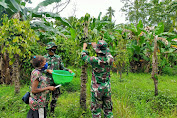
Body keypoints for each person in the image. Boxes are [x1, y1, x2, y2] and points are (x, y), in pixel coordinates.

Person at [81, 40, 114, 118]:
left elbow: (83, 56)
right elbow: (107, 53)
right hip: (107, 88)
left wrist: (84, 47)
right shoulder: (110, 59)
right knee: (108, 111)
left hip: (97, 90)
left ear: (98, 51)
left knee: (96, 111)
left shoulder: (94, 60)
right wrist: (95, 46)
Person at [44, 42, 72, 113]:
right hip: (47, 82)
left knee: (55, 98)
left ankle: (52, 112)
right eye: (52, 49)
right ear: (49, 49)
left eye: (55, 49)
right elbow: (40, 69)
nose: (54, 50)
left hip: (56, 81)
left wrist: (68, 70)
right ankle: (45, 113)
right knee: (46, 99)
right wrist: (47, 70)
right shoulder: (44, 58)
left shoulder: (58, 58)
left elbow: (62, 68)